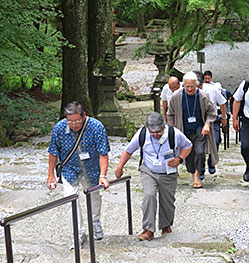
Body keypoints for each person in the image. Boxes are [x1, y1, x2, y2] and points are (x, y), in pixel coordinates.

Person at [115, 112, 192, 241]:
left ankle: (166, 226)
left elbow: (188, 145)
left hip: (168, 171)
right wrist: (119, 167)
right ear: (148, 128)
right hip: (148, 170)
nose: (156, 134)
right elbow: (128, 150)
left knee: (167, 200)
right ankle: (148, 229)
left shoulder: (174, 134)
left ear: (164, 126)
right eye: (153, 132)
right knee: (149, 195)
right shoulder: (142, 134)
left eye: (159, 131)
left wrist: (180, 159)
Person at [47, 101, 110, 249]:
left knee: (95, 196)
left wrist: (103, 175)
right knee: (70, 200)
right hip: (70, 169)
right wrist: (51, 174)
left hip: (92, 167)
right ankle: (78, 233)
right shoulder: (60, 128)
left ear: (84, 116)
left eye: (77, 121)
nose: (74, 124)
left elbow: (103, 153)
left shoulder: (96, 127)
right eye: (70, 121)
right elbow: (53, 152)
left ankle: (95, 221)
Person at [167, 71, 218, 188]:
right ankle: (192, 173)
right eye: (187, 86)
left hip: (199, 129)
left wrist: (207, 124)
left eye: (192, 86)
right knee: (188, 153)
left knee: (200, 152)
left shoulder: (203, 96)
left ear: (197, 85)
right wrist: (172, 129)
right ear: (183, 85)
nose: (189, 89)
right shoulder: (176, 97)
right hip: (183, 129)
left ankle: (197, 174)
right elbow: (170, 114)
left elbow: (211, 113)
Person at [194, 70, 227, 178]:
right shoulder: (188, 91)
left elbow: (222, 102)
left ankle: (211, 162)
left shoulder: (212, 90)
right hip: (197, 122)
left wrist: (224, 117)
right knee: (200, 147)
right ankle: (201, 168)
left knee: (216, 141)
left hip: (213, 119)